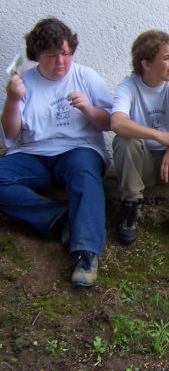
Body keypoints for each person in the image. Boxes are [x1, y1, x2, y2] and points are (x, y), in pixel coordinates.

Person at [0, 17, 112, 287]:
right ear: (37, 55)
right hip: (33, 154)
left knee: (85, 173)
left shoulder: (85, 77)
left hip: (78, 148)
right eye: (52, 55)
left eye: (66, 53)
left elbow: (109, 123)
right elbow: (11, 135)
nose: (61, 61)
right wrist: (13, 100)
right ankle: (59, 218)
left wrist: (87, 108)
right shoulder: (24, 82)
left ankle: (86, 252)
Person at [111, 30, 169, 245]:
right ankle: (131, 207)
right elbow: (117, 122)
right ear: (146, 64)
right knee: (124, 139)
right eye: (167, 57)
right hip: (141, 165)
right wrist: (160, 136)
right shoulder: (129, 85)